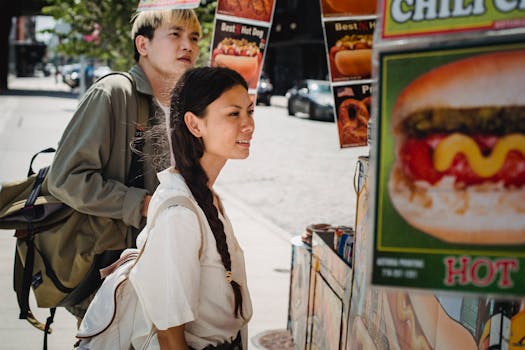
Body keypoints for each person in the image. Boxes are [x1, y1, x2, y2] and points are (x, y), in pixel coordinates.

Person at [47, 8, 201, 321]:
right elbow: (65, 179)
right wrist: (141, 203)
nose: (188, 45)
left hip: (165, 269)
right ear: (143, 45)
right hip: (114, 275)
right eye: (175, 34)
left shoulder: (184, 108)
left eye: (194, 37)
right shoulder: (114, 93)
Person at [128, 66, 254, 350]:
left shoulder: (207, 197)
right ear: (195, 125)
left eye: (250, 111)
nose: (248, 124)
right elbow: (170, 335)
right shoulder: (180, 214)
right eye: (234, 114)